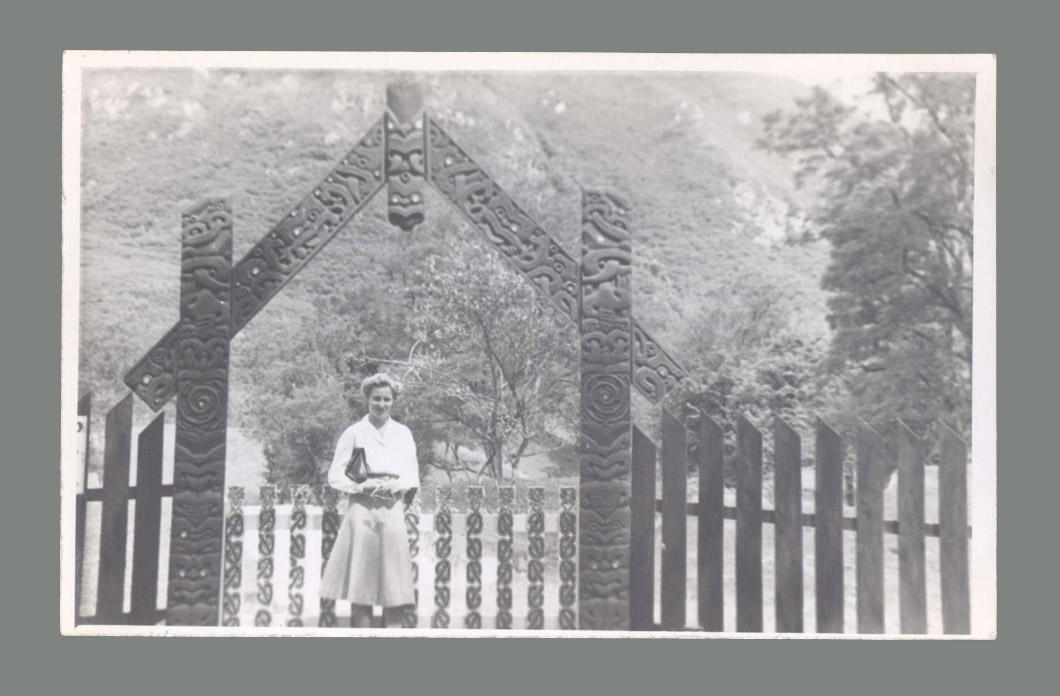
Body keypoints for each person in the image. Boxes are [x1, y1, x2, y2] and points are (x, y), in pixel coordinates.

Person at [319, 373, 419, 628]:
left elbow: (411, 473)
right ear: (367, 399)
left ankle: (392, 637)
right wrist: (360, 486)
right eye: (376, 399)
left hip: (392, 506)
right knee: (361, 576)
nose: (381, 404)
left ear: (393, 401)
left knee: (394, 577)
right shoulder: (354, 432)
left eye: (387, 399)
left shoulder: (403, 433)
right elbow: (335, 475)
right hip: (362, 509)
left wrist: (398, 484)